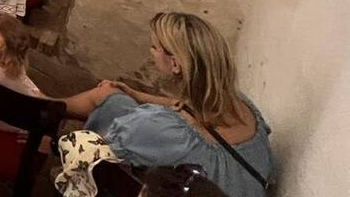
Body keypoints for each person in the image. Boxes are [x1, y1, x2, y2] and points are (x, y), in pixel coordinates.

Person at [77, 13, 273, 197]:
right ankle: (52, 102)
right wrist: (136, 94)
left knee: (109, 102)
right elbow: (184, 106)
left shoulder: (168, 129)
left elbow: (96, 148)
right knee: (117, 98)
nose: (151, 52)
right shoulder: (239, 104)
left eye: (155, 47)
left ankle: (51, 109)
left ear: (176, 65)